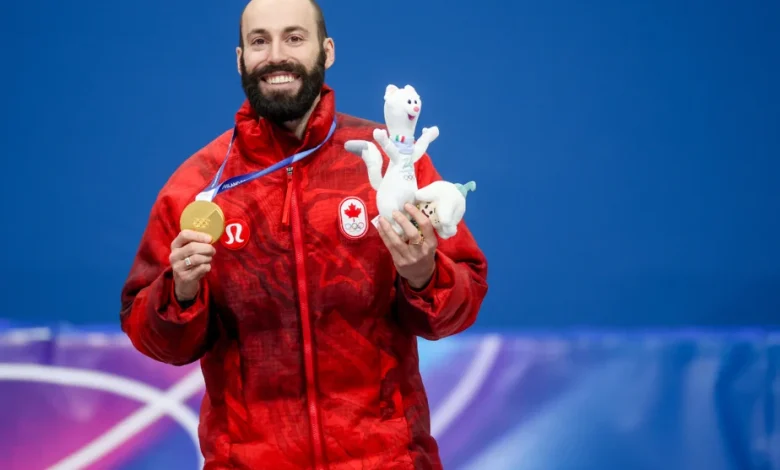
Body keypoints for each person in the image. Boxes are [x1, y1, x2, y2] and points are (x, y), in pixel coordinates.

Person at [119, 0, 488, 468]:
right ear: (240, 60)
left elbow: (462, 304)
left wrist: (423, 276)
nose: (276, 55)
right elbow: (153, 338)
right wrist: (182, 292)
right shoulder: (197, 186)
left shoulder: (394, 165)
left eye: (294, 37)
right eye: (259, 41)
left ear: (326, 51)